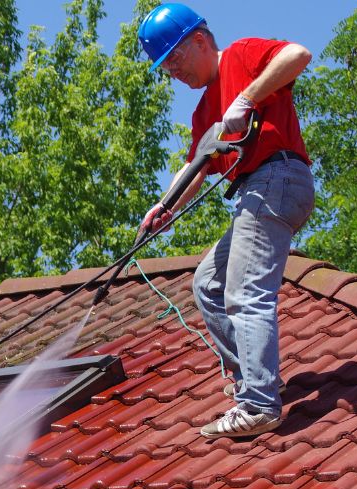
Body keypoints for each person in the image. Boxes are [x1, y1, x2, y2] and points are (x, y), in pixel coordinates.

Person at [136, 3, 315, 439]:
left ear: (199, 40)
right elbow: (198, 165)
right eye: (165, 67)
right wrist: (166, 206)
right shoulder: (203, 113)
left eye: (174, 59)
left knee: (244, 290)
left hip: (278, 177)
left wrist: (248, 98)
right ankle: (253, 382)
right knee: (208, 285)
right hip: (259, 190)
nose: (173, 72)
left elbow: (299, 54)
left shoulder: (241, 55)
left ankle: (259, 403)